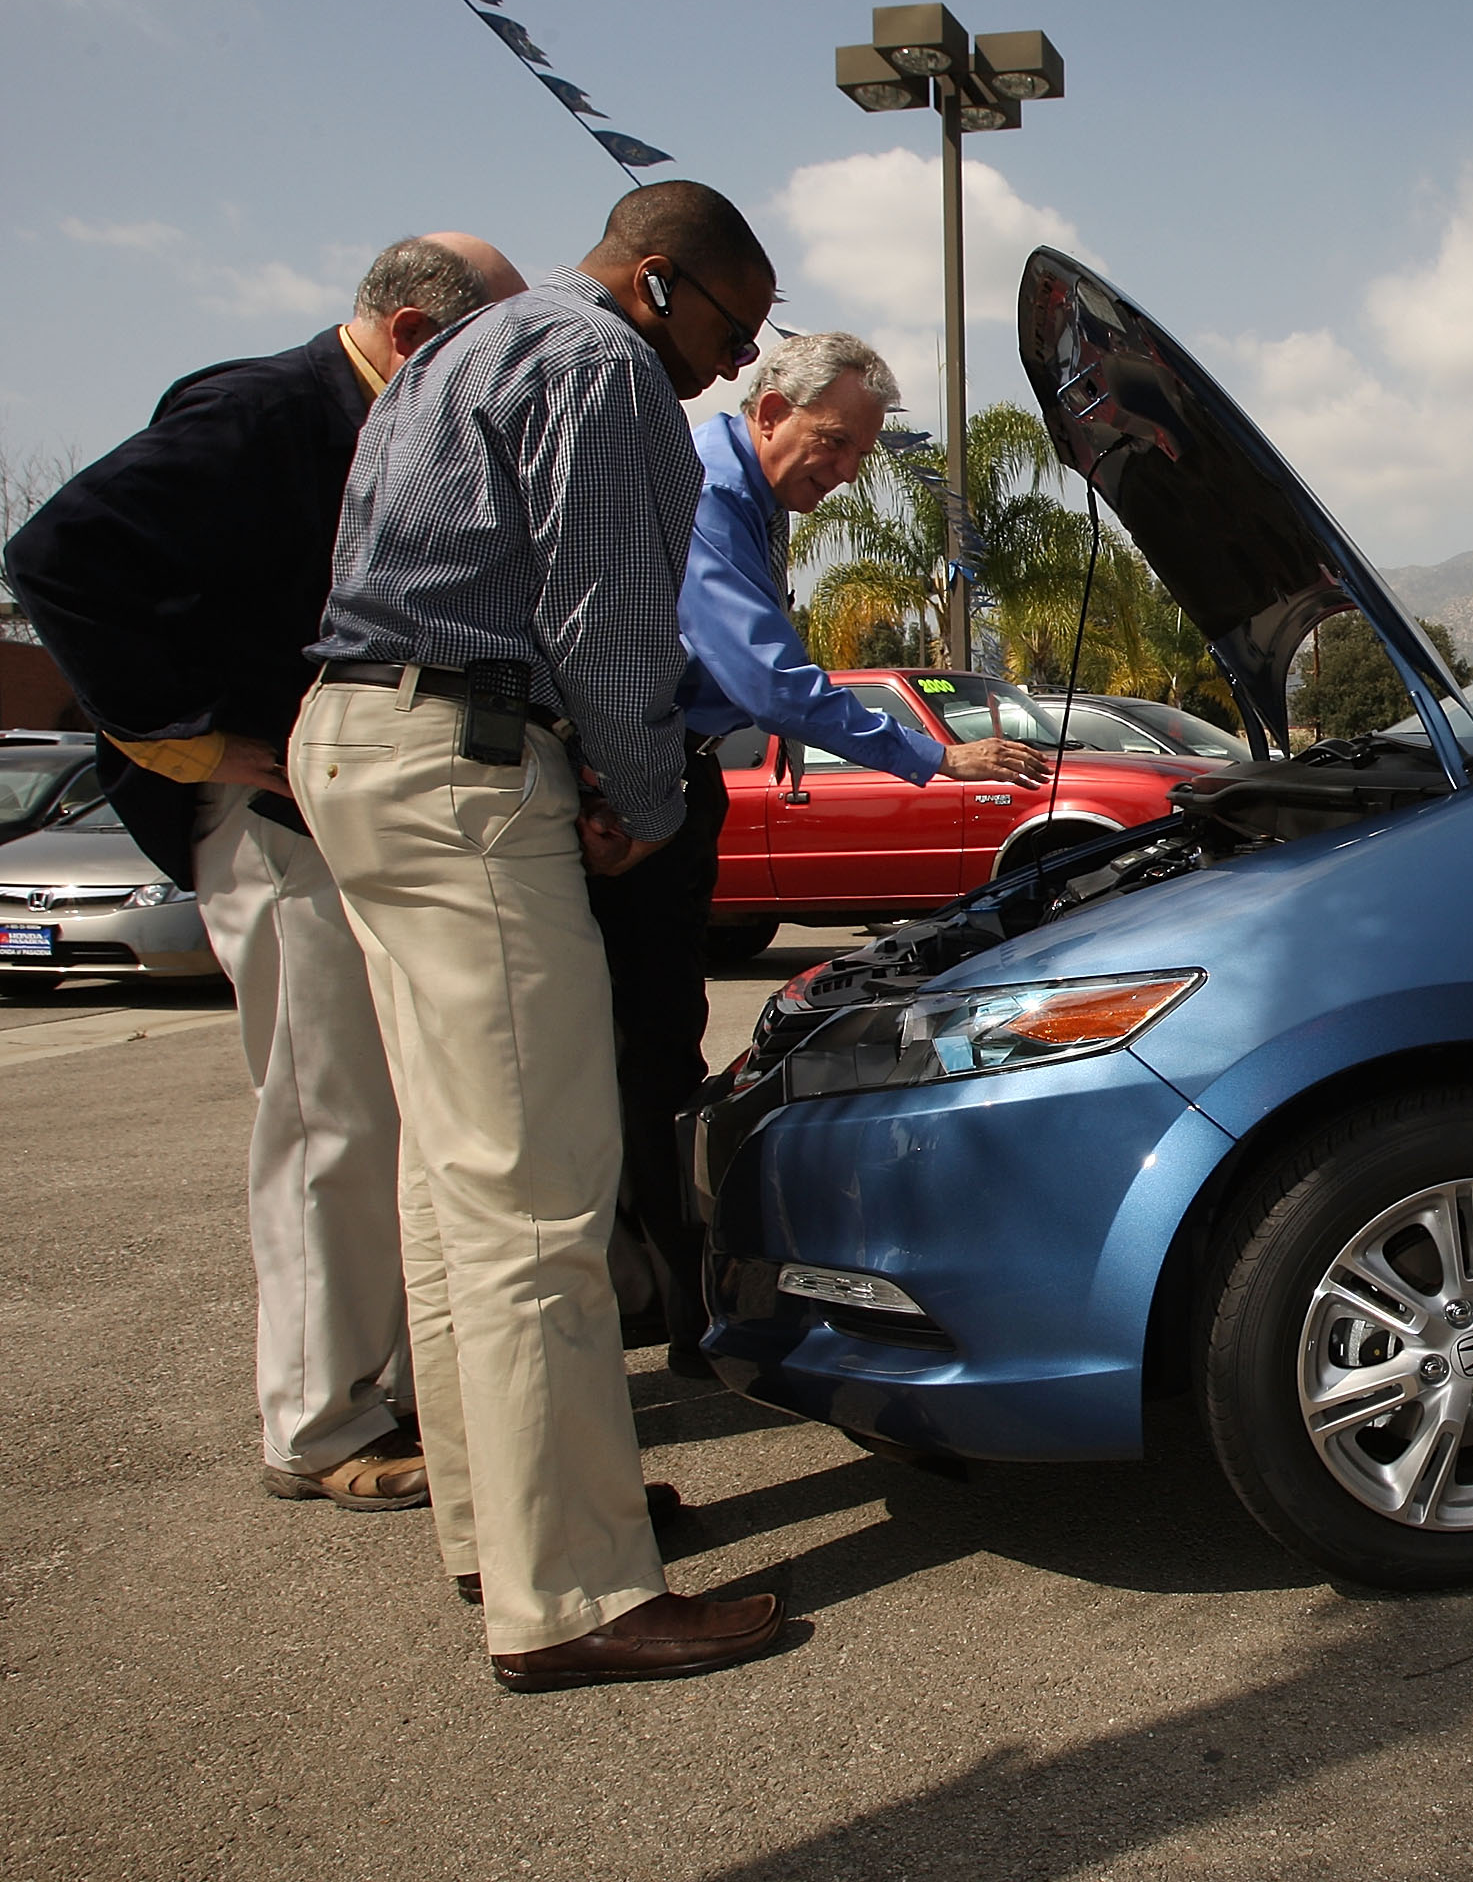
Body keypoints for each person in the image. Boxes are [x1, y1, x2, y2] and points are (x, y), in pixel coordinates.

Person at [292, 181, 784, 1691]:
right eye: (731, 330)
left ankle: (495, 1528)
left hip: (357, 748)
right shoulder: (603, 365)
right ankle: (574, 1595)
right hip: (466, 770)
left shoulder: (467, 349)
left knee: (456, 1189)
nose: (731, 372)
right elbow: (609, 608)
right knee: (539, 1202)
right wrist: (637, 795)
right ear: (657, 283)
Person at [3, 233, 524, 1514]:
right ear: (411, 336)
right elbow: (61, 554)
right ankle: (320, 1418)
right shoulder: (266, 408)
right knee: (326, 1113)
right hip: (272, 815)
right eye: (484, 352)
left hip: (341, 808)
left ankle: (380, 1380)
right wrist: (196, 741)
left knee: (382, 1112)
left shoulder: (367, 417)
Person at [596, 330, 1047, 1373]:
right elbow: (766, 679)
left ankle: (657, 1297)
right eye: (832, 442)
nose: (842, 473)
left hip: (673, 777)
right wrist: (930, 758)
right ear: (766, 411)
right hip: (634, 791)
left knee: (655, 1047)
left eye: (856, 457)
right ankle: (672, 1316)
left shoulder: (749, 503)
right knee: (639, 1059)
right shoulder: (709, 496)